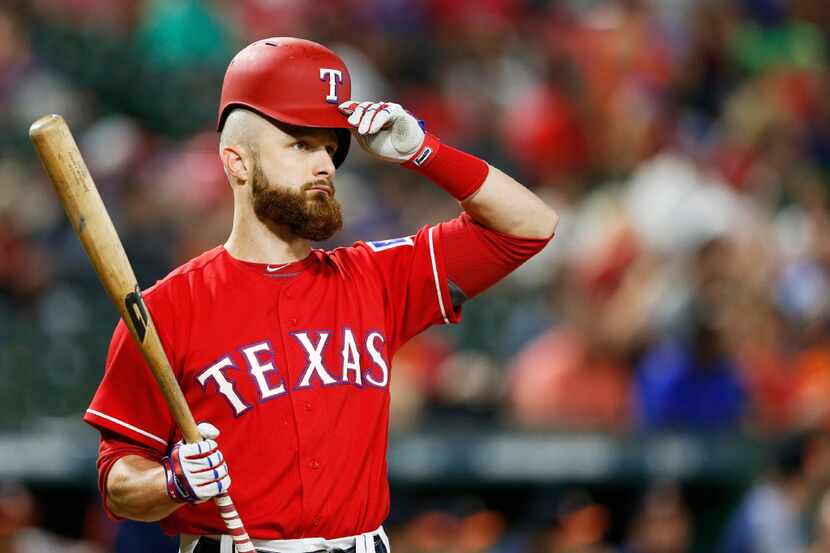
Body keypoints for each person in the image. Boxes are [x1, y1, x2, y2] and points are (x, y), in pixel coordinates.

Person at [83, 37, 558, 553]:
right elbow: (118, 481)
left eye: (329, 149)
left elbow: (530, 226)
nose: (325, 165)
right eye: (300, 145)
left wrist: (426, 152)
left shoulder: (376, 277)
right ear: (237, 163)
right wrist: (171, 482)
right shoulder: (166, 309)